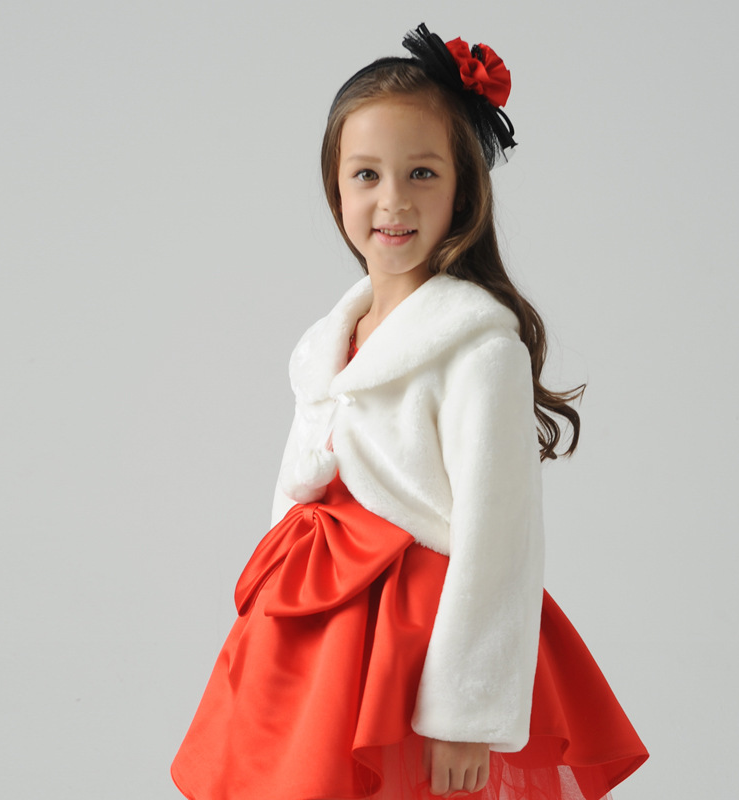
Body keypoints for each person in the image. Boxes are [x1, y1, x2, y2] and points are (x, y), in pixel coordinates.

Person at [171, 23, 648, 800]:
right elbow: (297, 493)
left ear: (463, 189)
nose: (392, 200)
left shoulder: (479, 349)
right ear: (336, 188)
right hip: (318, 638)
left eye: (422, 173)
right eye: (366, 175)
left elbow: (499, 540)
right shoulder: (325, 344)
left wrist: (465, 712)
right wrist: (269, 620)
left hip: (414, 643)